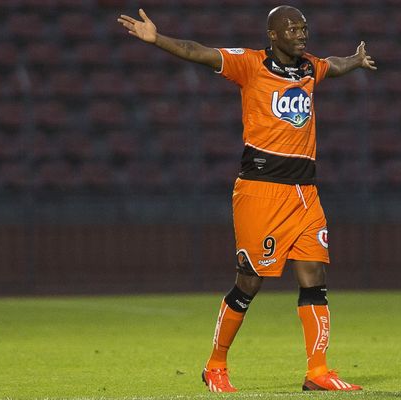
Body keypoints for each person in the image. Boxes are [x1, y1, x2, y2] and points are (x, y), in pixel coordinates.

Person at [117, 5, 376, 392]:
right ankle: (215, 365)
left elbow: (332, 65)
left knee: (314, 280)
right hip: (261, 190)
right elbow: (196, 50)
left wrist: (354, 61)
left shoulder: (308, 67)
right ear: (272, 35)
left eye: (303, 28)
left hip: (305, 193)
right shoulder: (251, 64)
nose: (301, 34)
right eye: (292, 29)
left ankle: (318, 372)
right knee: (249, 282)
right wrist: (158, 40)